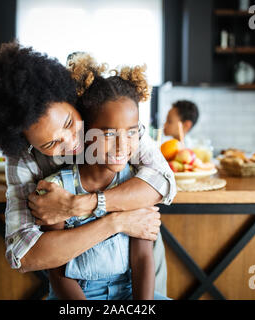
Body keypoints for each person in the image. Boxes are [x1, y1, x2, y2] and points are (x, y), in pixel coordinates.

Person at [0, 42, 176, 296]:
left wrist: (80, 206)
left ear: (70, 99)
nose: (70, 141)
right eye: (50, 143)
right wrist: (117, 222)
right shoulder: (22, 160)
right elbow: (25, 254)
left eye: (68, 122)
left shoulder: (111, 122)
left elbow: (163, 181)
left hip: (137, 266)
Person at [40, 54, 167, 300]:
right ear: (84, 132)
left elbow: (142, 258)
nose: (122, 145)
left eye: (131, 132)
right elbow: (57, 272)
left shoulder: (135, 185)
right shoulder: (57, 190)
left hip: (128, 293)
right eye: (108, 134)